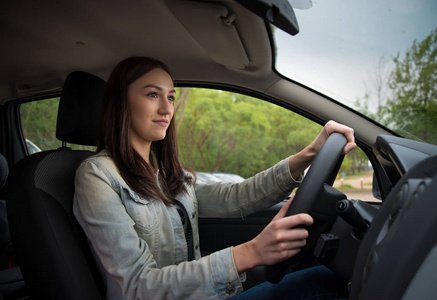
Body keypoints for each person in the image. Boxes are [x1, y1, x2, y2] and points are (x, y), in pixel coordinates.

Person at [73, 56, 356, 300]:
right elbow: (137, 288)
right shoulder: (97, 176)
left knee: (326, 278)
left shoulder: (167, 172)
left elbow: (237, 197)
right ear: (120, 102)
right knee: (325, 284)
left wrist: (307, 155)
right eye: (152, 94)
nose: (167, 108)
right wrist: (250, 253)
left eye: (170, 96)